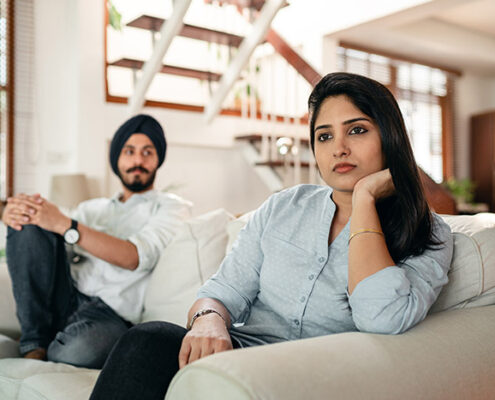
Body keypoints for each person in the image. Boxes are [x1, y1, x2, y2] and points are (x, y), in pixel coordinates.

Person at [89, 73, 454, 400]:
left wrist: (364, 201)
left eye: (356, 130)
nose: (338, 148)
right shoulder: (283, 207)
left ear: (389, 136)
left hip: (317, 373)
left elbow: (382, 317)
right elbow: (222, 292)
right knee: (145, 341)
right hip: (241, 353)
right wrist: (209, 321)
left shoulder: (429, 232)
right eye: (324, 135)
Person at [2, 114, 191, 369]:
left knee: (80, 351)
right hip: (66, 295)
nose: (138, 160)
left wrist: (66, 225)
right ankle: (34, 344)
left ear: (158, 160)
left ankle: (49, 341)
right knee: (29, 222)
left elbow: (134, 256)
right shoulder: (92, 209)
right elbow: (47, 242)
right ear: (117, 159)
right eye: (129, 151)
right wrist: (12, 211)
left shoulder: (171, 207)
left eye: (148, 152)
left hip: (110, 315)